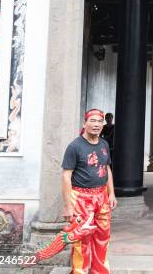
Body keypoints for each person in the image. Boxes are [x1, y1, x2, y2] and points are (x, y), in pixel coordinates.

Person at [61, 109, 117, 274]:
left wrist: (111, 193)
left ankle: (100, 271)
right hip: (81, 198)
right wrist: (68, 206)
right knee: (81, 239)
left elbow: (106, 169)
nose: (96, 125)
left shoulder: (104, 144)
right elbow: (66, 176)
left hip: (101, 196)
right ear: (84, 123)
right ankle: (80, 271)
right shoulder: (75, 146)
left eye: (100, 122)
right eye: (92, 121)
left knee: (103, 236)